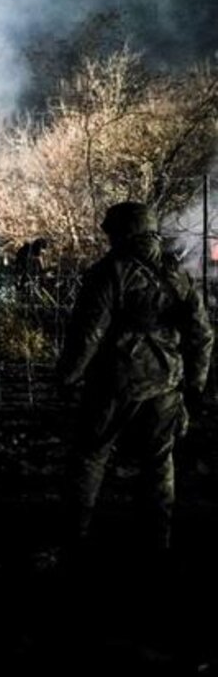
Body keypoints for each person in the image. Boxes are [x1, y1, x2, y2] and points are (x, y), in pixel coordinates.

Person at [57, 202, 213, 552]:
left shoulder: (109, 273)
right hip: (166, 387)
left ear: (122, 233)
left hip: (112, 386)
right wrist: (195, 386)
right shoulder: (179, 275)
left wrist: (67, 377)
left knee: (90, 458)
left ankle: (75, 536)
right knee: (158, 466)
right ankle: (157, 542)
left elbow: (88, 335)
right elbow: (202, 334)